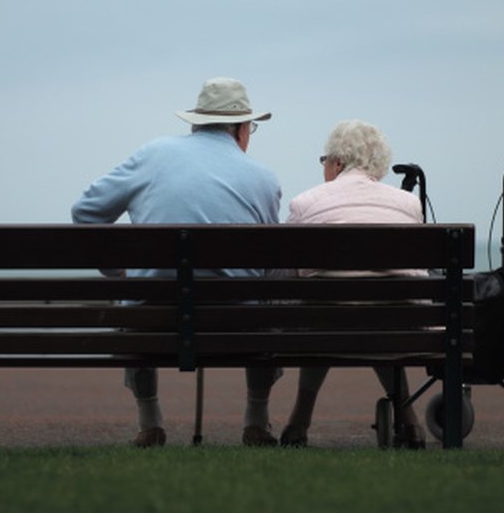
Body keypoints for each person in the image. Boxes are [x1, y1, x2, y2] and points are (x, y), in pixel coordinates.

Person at [71, 77, 283, 448]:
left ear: (196, 122)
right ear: (240, 128)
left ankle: (150, 421)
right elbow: (268, 263)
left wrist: (118, 272)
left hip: (153, 320)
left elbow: (85, 213)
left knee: (133, 294)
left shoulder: (154, 154)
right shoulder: (264, 178)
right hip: (238, 325)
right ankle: (256, 420)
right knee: (266, 302)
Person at [279, 119, 427, 448]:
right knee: (378, 316)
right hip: (395, 326)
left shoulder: (305, 203)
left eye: (324, 161)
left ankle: (299, 422)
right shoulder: (408, 204)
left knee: (323, 312)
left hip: (324, 325)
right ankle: (411, 423)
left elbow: (289, 274)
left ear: (338, 163)